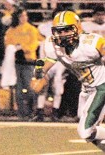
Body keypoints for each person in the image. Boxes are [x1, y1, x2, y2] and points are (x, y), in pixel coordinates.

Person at [30, 10, 105, 151]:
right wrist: (38, 74)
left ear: (78, 28)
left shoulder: (91, 43)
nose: (62, 34)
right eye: (59, 31)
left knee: (86, 130)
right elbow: (47, 60)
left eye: (67, 30)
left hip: (101, 87)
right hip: (87, 89)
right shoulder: (53, 44)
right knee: (88, 134)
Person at [0, 7, 44, 121]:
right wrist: (16, 47)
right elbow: (8, 43)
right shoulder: (12, 30)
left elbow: (34, 44)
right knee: (18, 89)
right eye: (22, 16)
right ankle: (22, 113)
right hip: (17, 62)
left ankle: (31, 111)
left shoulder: (31, 29)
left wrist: (22, 48)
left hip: (28, 61)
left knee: (30, 88)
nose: (24, 18)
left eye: (25, 15)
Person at [31, 8, 66, 122]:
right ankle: (39, 112)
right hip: (47, 59)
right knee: (42, 85)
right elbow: (40, 44)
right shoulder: (44, 27)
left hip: (61, 61)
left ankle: (55, 112)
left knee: (57, 86)